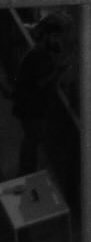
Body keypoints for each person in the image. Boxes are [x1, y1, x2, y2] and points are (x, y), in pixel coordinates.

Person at [12, 15, 68, 176]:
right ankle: (26, 172)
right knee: (32, 138)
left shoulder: (40, 54)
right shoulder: (38, 55)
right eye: (54, 37)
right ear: (46, 36)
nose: (57, 40)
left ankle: (27, 171)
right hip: (30, 106)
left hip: (31, 105)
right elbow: (40, 82)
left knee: (32, 139)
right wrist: (57, 71)